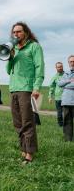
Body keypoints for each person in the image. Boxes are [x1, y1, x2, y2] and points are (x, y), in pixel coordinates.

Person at [6, 22, 44, 164]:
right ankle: (23, 147)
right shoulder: (14, 49)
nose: (16, 34)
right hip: (13, 88)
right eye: (14, 32)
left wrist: (36, 87)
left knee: (27, 121)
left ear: (26, 32)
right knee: (17, 122)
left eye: (19, 31)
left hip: (27, 89)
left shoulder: (34, 47)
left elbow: (39, 67)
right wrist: (10, 57)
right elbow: (8, 70)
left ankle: (30, 153)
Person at [58, 55, 74, 141]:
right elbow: (59, 84)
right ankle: (68, 139)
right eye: (71, 61)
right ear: (68, 63)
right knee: (67, 121)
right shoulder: (65, 73)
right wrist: (69, 81)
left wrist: (66, 85)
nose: (72, 63)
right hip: (66, 100)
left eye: (73, 61)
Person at [49, 62, 64, 127]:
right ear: (56, 68)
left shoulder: (66, 75)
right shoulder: (54, 77)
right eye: (58, 67)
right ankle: (60, 125)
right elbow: (52, 87)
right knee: (59, 113)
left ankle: (67, 125)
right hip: (58, 98)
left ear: (62, 67)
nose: (60, 68)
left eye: (61, 66)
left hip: (66, 97)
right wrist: (50, 96)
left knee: (67, 113)